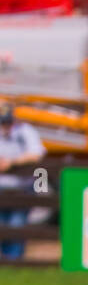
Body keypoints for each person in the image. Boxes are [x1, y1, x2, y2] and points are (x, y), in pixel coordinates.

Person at [0, 102, 45, 260]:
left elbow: (36, 154)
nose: (5, 126)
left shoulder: (25, 131)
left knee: (16, 226)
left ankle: (14, 262)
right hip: (2, 188)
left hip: (21, 188)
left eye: (7, 122)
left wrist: (12, 162)